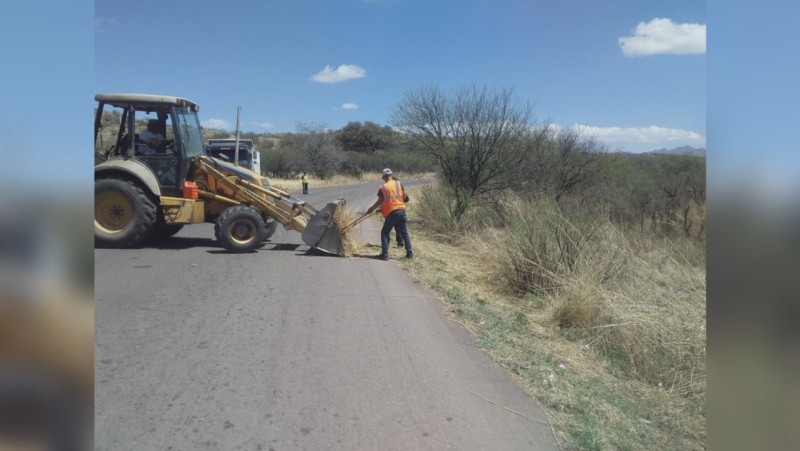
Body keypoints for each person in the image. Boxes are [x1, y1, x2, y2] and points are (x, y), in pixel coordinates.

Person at [365, 168, 413, 260]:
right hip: (402, 210)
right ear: (392, 175)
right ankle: (410, 253)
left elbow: (379, 202)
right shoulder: (399, 184)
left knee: (385, 232)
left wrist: (370, 210)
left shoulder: (383, 187)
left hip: (392, 212)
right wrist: (383, 208)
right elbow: (404, 197)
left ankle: (385, 254)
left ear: (383, 177)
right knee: (404, 232)